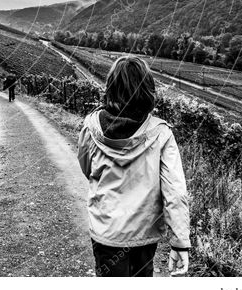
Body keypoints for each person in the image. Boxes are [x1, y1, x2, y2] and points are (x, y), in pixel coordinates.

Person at [77, 55, 190, 277]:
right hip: (143, 234)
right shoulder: (161, 134)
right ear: (147, 90)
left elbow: (86, 168)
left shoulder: (91, 127)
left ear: (111, 87)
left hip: (106, 231)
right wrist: (179, 242)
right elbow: (175, 192)